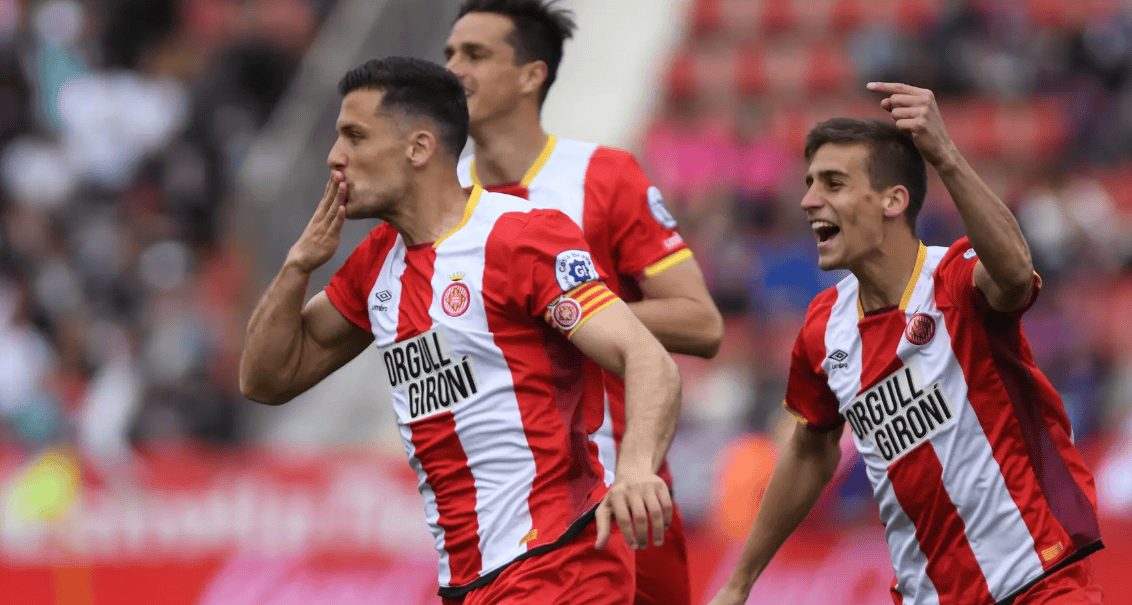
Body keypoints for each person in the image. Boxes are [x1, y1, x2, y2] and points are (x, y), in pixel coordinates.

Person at [238, 56, 682, 605]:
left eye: (355, 135)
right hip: (470, 580)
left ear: (419, 148)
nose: (335, 156)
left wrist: (635, 468)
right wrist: (298, 266)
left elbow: (648, 360)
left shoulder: (517, 237)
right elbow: (265, 379)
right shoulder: (377, 263)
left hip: (560, 560)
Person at [707, 83, 1105, 605]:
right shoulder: (823, 328)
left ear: (893, 200)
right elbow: (810, 450)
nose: (809, 201)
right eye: (809, 184)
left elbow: (1013, 273)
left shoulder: (955, 277)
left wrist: (945, 155)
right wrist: (739, 582)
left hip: (1037, 580)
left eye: (833, 183)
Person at [445, 3, 725, 603]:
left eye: (475, 54)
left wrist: (564, 318)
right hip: (493, 515)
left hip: (618, 490)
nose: (453, 69)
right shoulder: (442, 196)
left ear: (531, 75)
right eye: (449, 54)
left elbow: (701, 322)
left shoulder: (602, 175)